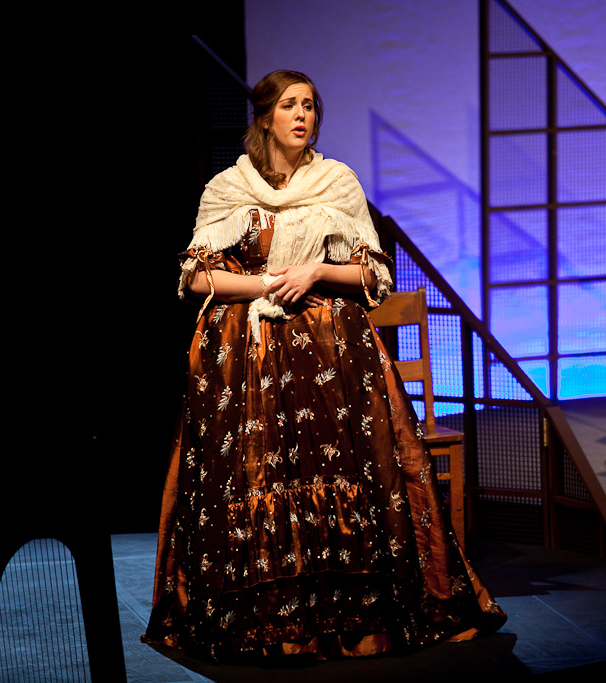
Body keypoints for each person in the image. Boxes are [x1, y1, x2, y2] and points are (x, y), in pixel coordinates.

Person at [142, 70, 505, 661]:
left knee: (343, 477)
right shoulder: (227, 189)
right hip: (246, 363)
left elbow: (374, 276)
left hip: (332, 360)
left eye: (309, 105)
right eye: (289, 105)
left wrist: (313, 272)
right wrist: (263, 282)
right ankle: (258, 620)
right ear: (265, 117)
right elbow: (196, 276)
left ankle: (351, 616)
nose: (301, 115)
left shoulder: (337, 182)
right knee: (257, 483)